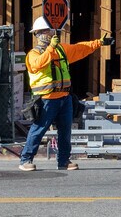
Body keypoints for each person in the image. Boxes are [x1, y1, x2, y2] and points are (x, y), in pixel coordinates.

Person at [19, 18, 112, 171]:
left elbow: (80, 48)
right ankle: (25, 160)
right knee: (38, 130)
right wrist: (51, 49)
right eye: (47, 31)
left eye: (50, 31)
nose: (51, 34)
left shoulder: (61, 50)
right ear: (38, 34)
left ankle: (64, 161)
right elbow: (37, 65)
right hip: (46, 100)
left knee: (65, 131)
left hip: (64, 98)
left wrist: (98, 43)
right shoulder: (33, 54)